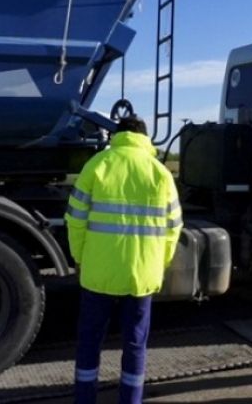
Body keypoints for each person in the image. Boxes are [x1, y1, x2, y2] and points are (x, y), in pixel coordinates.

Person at [64, 115, 183, 404]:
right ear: (144, 137)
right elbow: (174, 227)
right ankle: (131, 400)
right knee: (135, 345)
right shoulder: (160, 173)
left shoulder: (97, 165)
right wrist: (159, 265)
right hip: (141, 277)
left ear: (117, 136)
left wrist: (80, 259)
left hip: (98, 274)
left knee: (90, 342)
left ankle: (84, 399)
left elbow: (75, 221)